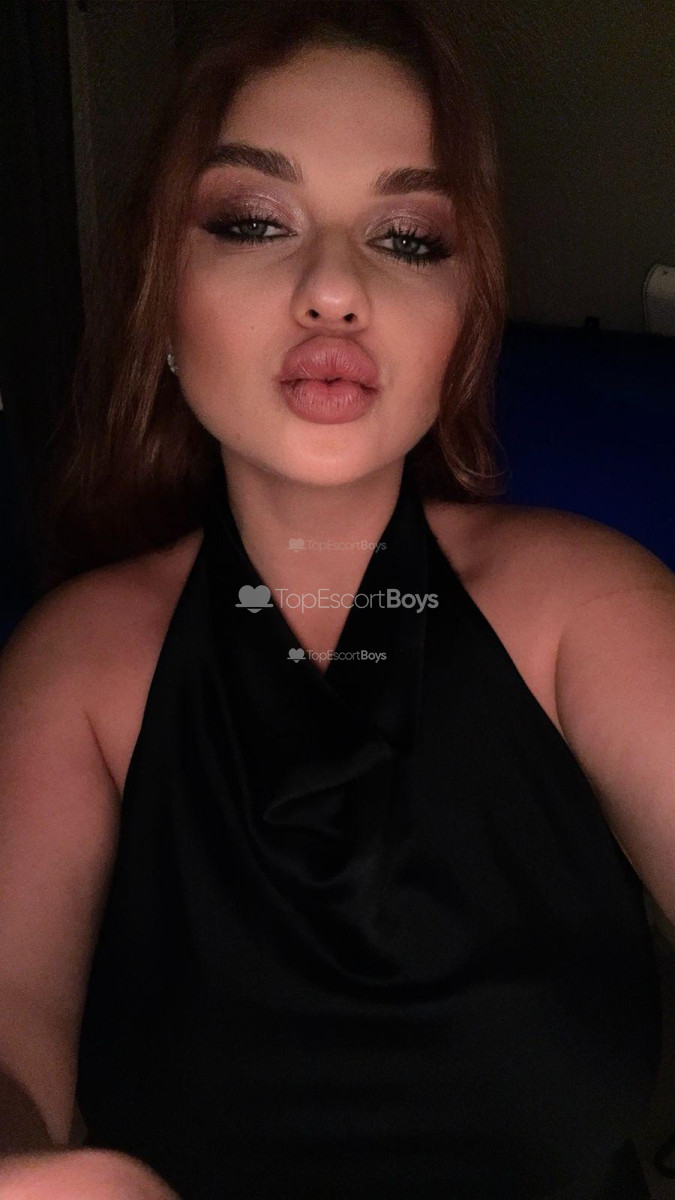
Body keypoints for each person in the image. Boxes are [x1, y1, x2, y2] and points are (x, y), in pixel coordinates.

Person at [1, 2, 673, 1197]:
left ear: (463, 320)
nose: (332, 290)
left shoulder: (592, 608)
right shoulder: (75, 667)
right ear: (163, 298)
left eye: (407, 239)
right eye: (254, 222)